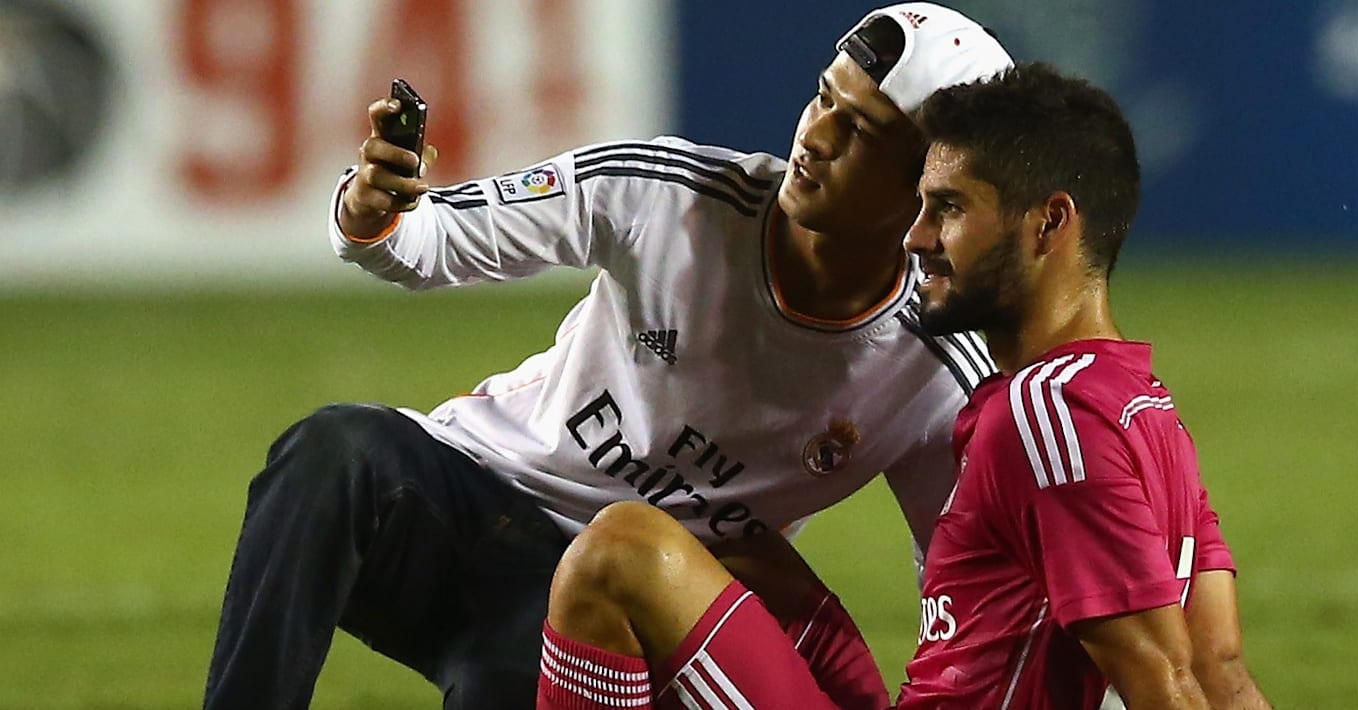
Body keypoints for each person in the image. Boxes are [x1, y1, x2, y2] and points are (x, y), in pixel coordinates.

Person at [200, 5, 1013, 709]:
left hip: (605, 604)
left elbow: (961, 589)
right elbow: (429, 239)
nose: (816, 136)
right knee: (332, 453)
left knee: (511, 677)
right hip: (471, 494)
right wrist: (373, 207)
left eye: (860, 130)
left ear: (929, 182)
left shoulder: (936, 368)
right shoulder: (666, 195)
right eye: (824, 98)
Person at [536, 62, 1273, 709]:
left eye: (949, 208)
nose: (916, 238)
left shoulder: (1044, 415)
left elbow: (1164, 684)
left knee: (618, 553)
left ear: (1049, 224)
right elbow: (1223, 674)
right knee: (737, 550)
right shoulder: (1143, 407)